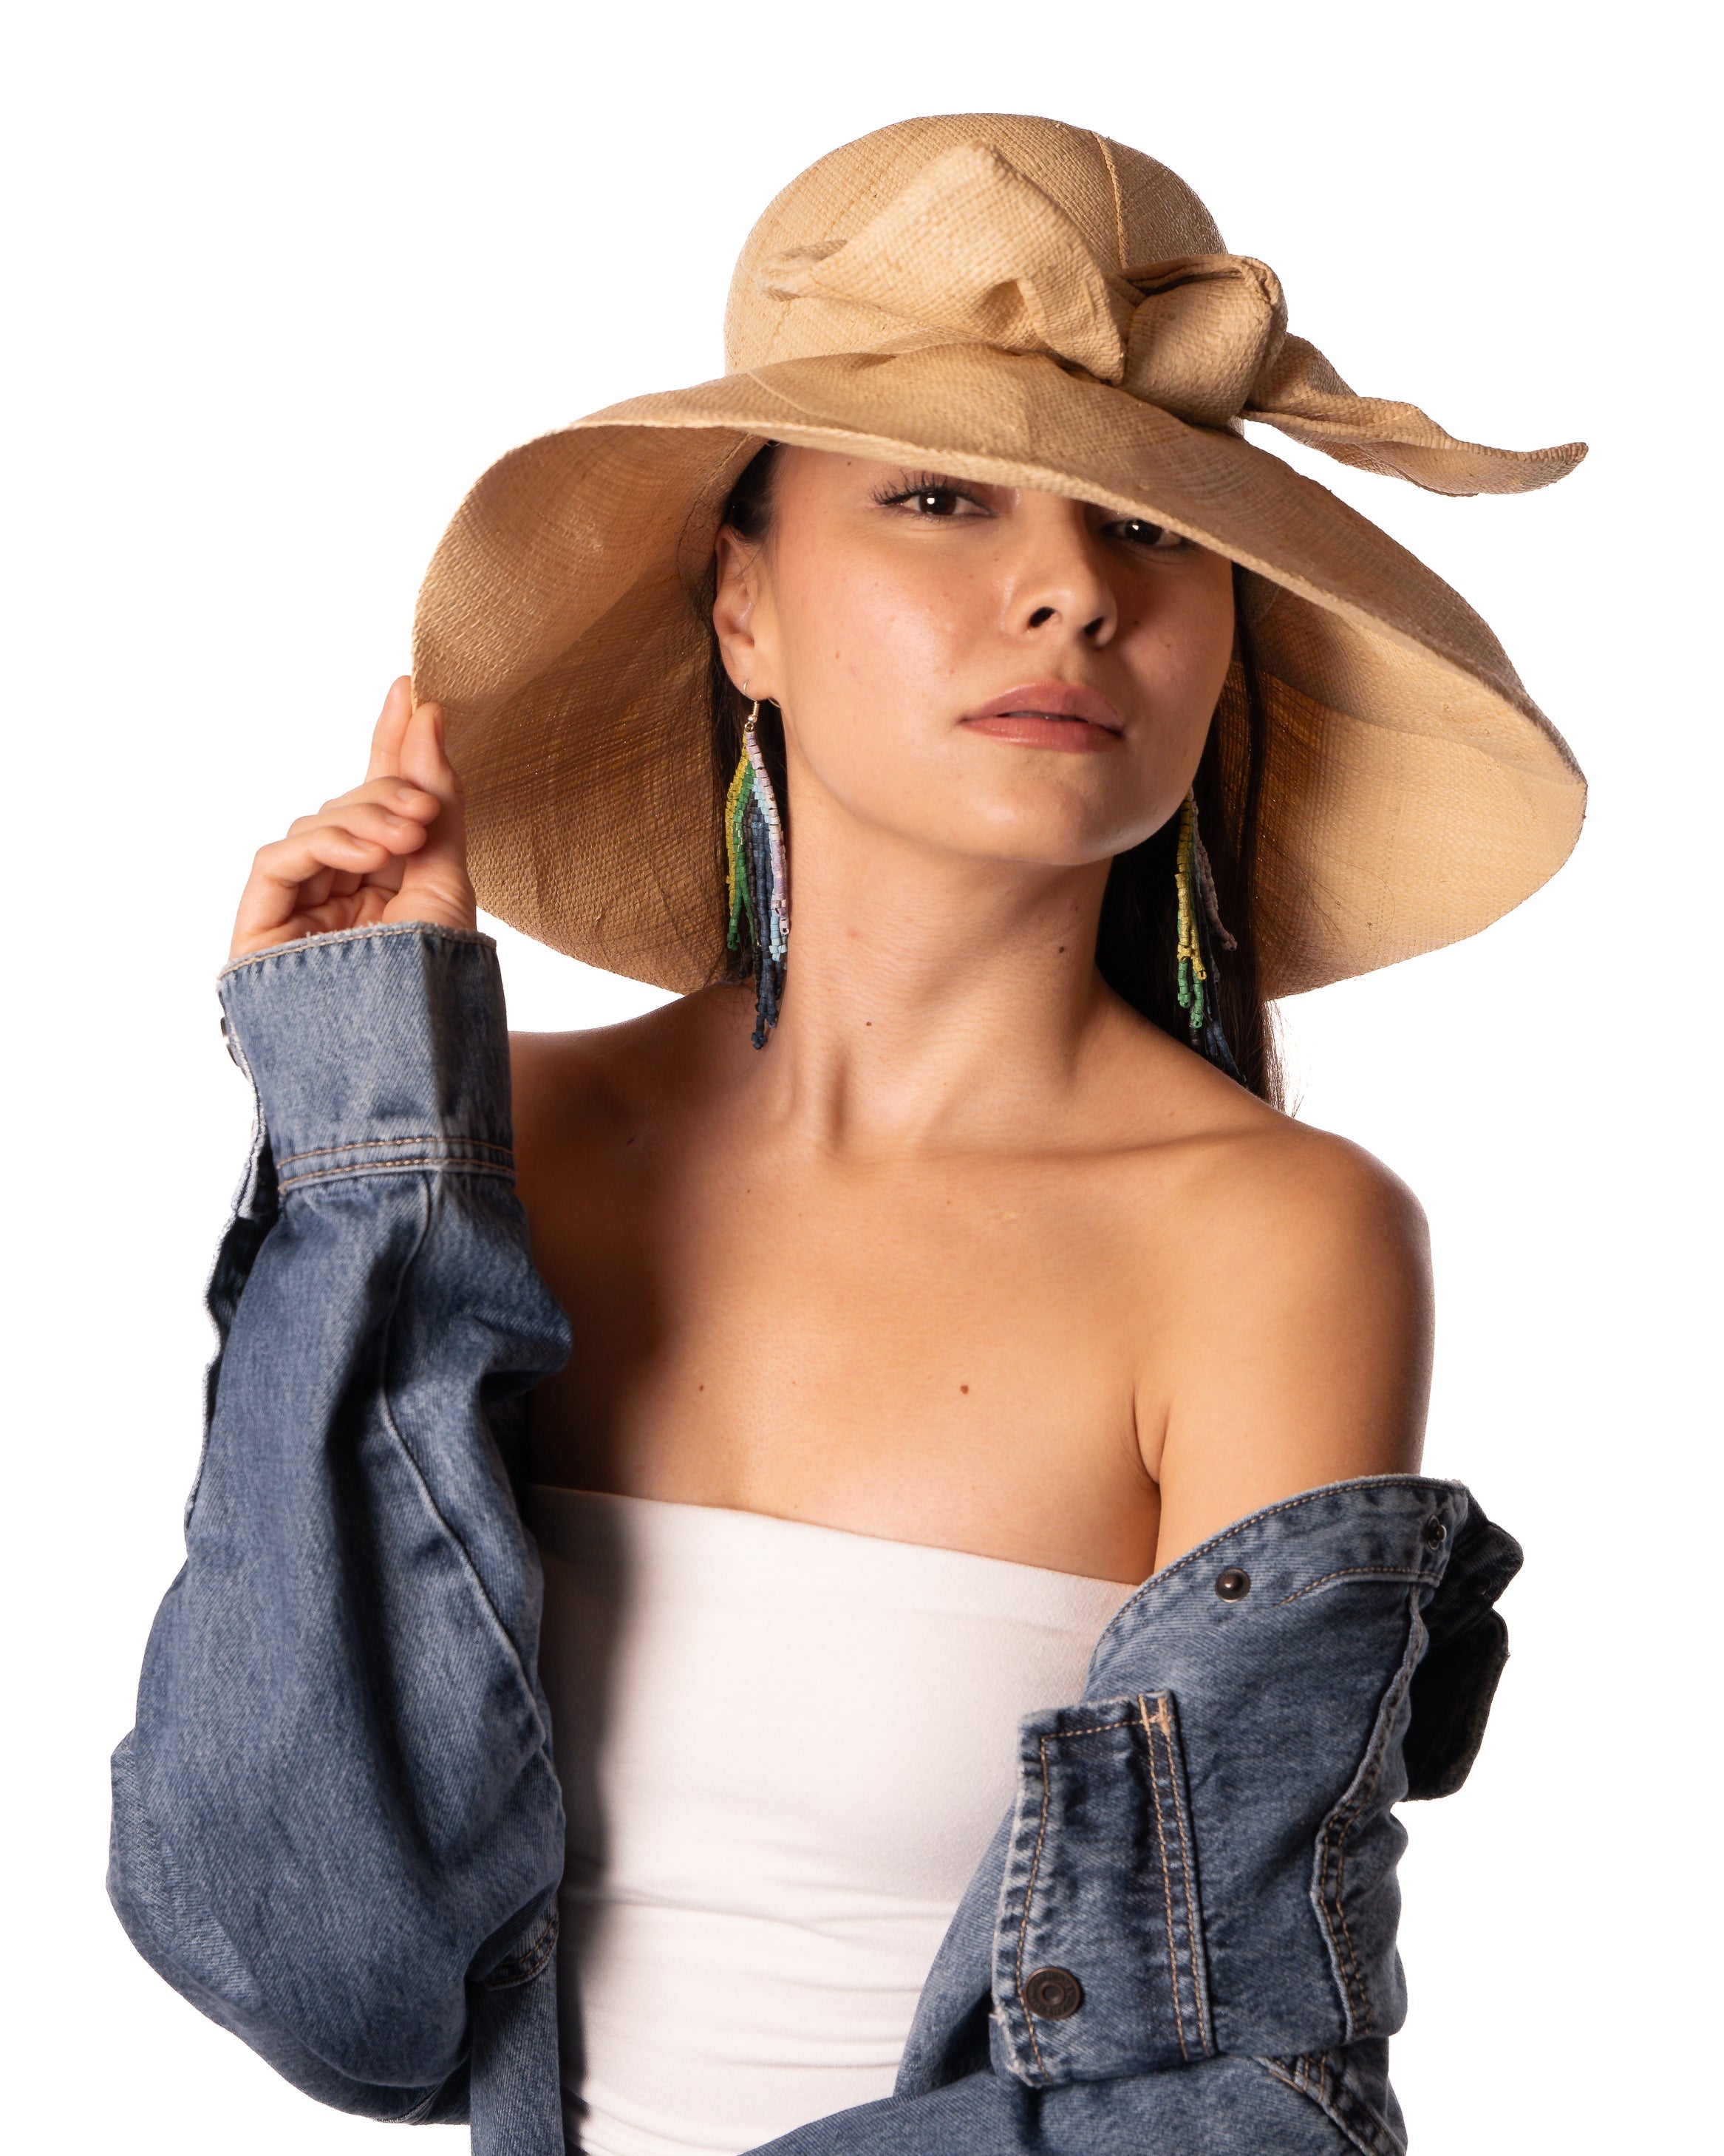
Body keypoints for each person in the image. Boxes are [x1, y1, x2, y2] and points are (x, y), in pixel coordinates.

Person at [109, 115, 1584, 2156]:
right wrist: (370, 1127)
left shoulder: (1270, 1241)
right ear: (746, 611)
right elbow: (319, 1961)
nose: (1068, 592)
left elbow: (1237, 2104)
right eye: (939, 499)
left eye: (1155, 533)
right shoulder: (497, 1146)